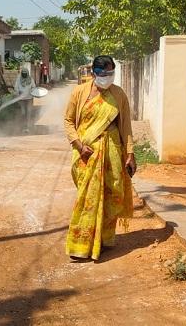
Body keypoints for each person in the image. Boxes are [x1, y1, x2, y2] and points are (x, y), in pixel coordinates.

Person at [63, 55, 136, 261]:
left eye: (111, 73)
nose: (107, 77)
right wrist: (78, 145)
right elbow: (68, 121)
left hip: (112, 150)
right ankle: (81, 244)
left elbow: (126, 127)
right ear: (94, 73)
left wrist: (130, 153)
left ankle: (103, 239)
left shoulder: (119, 95)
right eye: (103, 74)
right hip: (86, 153)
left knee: (111, 194)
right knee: (87, 198)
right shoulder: (79, 92)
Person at [14, 68, 35, 133]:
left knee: (28, 112)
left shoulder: (31, 79)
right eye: (23, 73)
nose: (24, 75)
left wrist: (31, 91)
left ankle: (28, 127)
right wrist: (18, 92)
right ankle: (23, 126)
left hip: (29, 98)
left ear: (27, 73)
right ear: (21, 73)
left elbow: (34, 87)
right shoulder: (18, 79)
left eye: (25, 74)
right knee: (23, 112)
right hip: (21, 99)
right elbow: (16, 87)